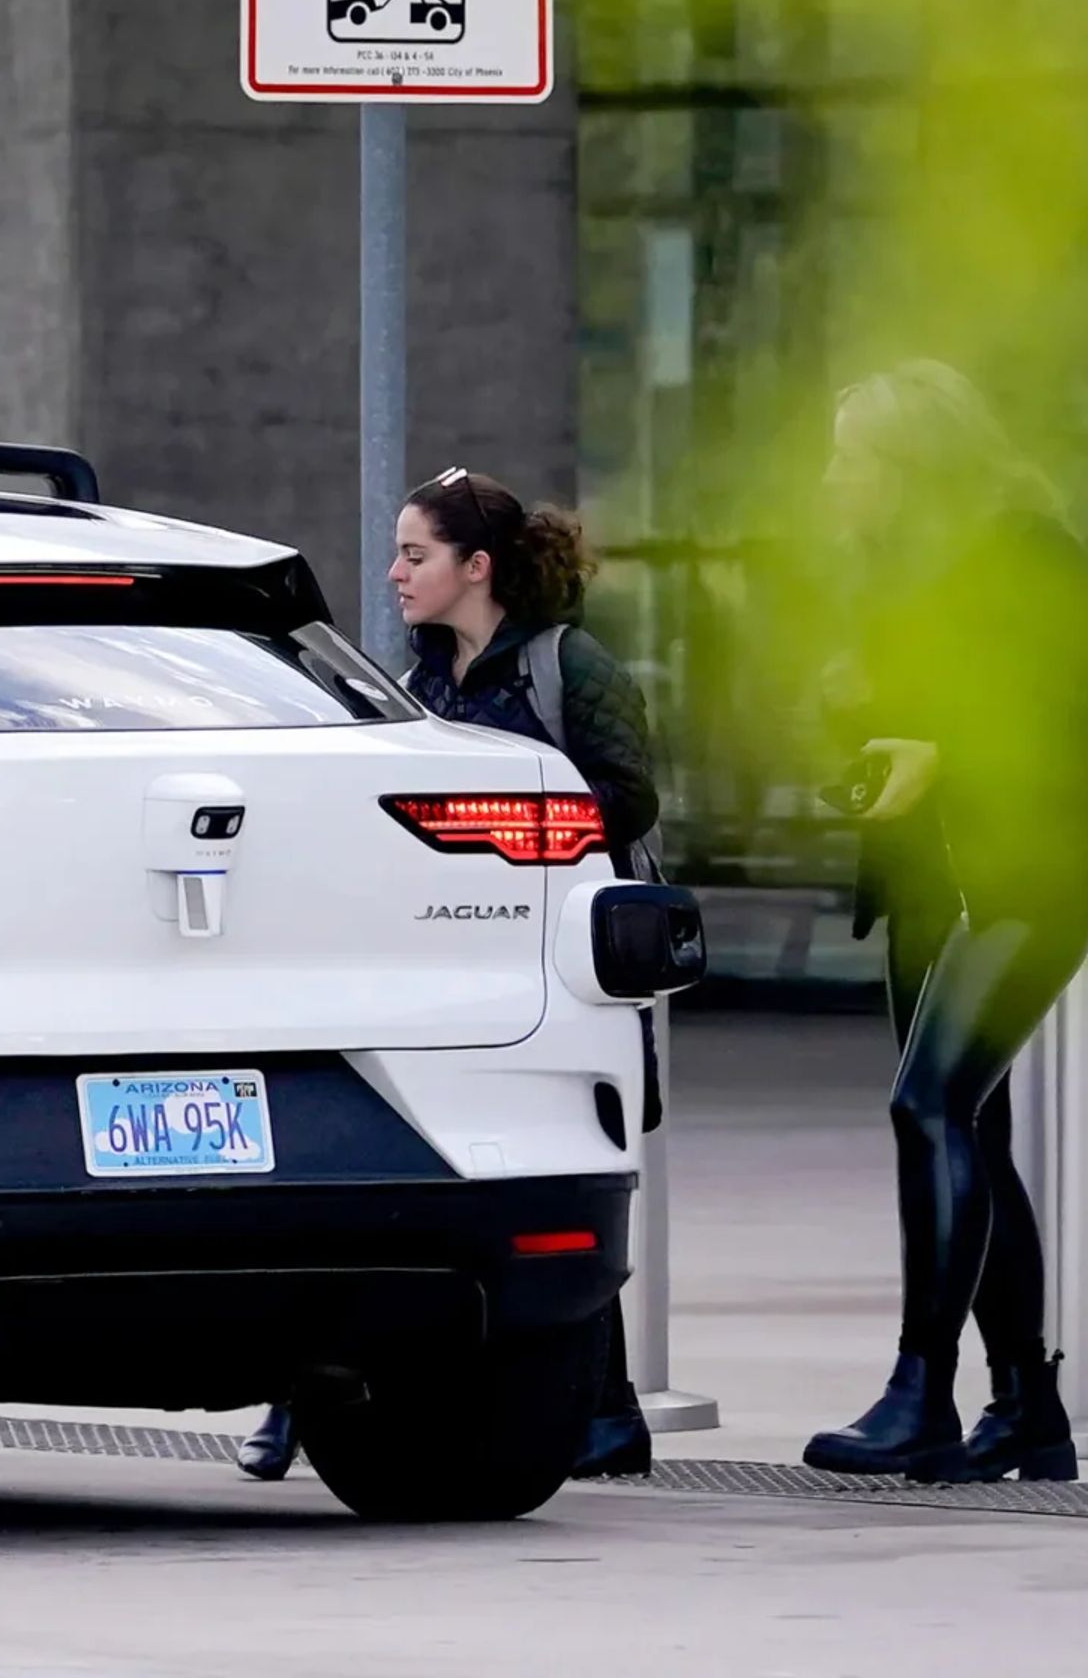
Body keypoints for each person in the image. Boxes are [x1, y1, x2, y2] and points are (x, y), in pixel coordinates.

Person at [239, 467, 663, 1486]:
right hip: (443, 960)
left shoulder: (569, 667)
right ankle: (590, 1409)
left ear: (478, 568)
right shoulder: (414, 686)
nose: (393, 574)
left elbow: (630, 798)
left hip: (553, 958)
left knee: (549, 1169)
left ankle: (602, 1408)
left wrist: (506, 836)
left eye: (415, 554)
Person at [803, 362, 1088, 1484]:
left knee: (929, 1105)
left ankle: (921, 1391)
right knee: (971, 1132)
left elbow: (1072, 721)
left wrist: (936, 743)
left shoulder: (1028, 558)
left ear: (915, 470)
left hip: (1028, 878)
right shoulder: (909, 576)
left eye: (854, 460)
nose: (835, 480)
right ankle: (1027, 1411)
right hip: (930, 884)